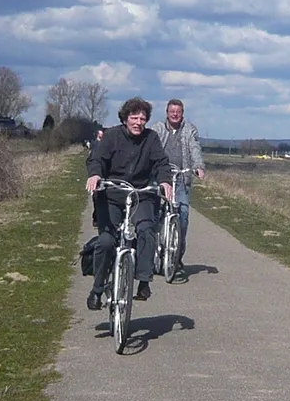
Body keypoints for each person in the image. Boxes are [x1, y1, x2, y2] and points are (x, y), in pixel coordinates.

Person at [85, 98, 173, 310]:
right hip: (112, 195)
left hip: (140, 195)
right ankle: (97, 290)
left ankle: (143, 281)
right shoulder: (112, 136)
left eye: (143, 118)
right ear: (125, 118)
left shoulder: (151, 138)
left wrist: (164, 181)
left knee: (146, 229)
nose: (138, 122)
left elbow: (161, 162)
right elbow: (97, 158)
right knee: (106, 242)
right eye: (134, 117)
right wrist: (96, 175)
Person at [158, 98, 204, 281]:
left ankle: (176, 258)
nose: (175, 114)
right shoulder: (158, 129)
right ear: (167, 113)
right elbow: (150, 147)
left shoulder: (189, 130)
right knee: (151, 213)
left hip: (180, 178)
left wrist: (198, 166)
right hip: (160, 177)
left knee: (182, 214)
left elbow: (195, 149)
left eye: (178, 111)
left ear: (182, 113)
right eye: (172, 111)